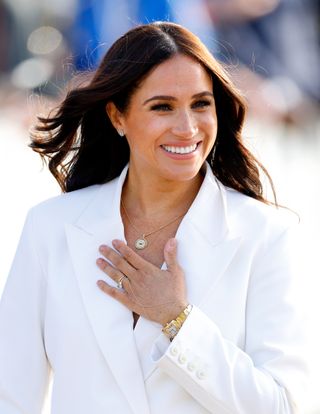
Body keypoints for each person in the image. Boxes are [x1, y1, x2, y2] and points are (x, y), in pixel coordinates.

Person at [0, 21, 308, 413]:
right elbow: (11, 396)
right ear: (117, 116)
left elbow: (282, 405)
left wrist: (176, 320)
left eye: (201, 104)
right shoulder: (50, 228)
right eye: (162, 106)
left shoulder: (266, 235)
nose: (187, 128)